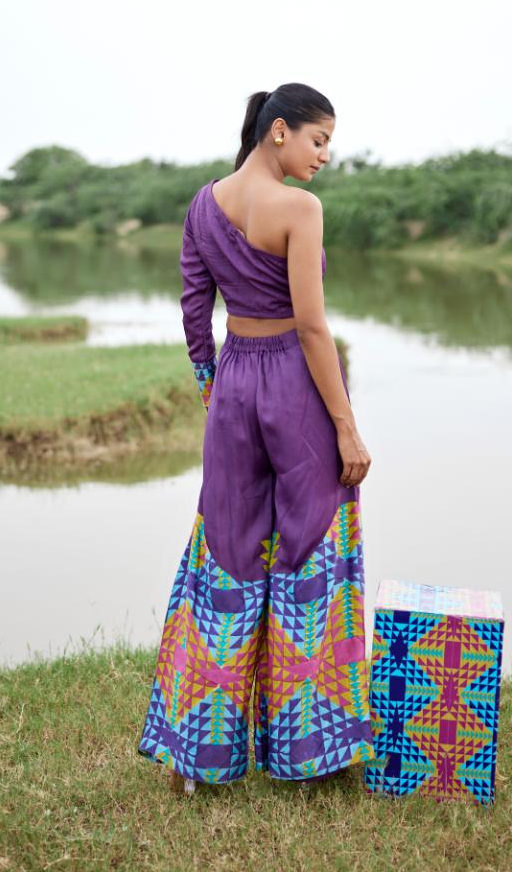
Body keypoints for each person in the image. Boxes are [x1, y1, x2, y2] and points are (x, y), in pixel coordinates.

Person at [138, 82, 375, 793]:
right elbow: (312, 326)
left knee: (227, 553)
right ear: (279, 131)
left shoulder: (202, 204)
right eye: (318, 139)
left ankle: (196, 757)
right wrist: (346, 426)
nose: (324, 155)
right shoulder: (301, 208)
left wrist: (213, 388)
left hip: (235, 379)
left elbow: (193, 308)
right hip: (296, 384)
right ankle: (308, 755)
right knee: (309, 549)